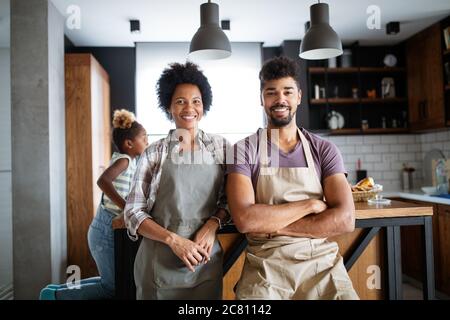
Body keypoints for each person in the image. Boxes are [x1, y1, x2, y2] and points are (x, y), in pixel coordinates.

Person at [226, 56, 359, 300]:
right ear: (261, 99)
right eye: (271, 92)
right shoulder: (243, 150)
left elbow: (345, 220)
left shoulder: (324, 150)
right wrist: (310, 206)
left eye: (287, 91)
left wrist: (272, 226)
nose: (280, 99)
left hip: (320, 262)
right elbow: (245, 220)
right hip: (266, 264)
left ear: (298, 96)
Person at [124, 62, 230, 300]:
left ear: (204, 106)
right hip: (158, 266)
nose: (189, 108)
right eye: (180, 101)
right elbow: (132, 212)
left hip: (205, 264)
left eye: (196, 101)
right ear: (169, 107)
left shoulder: (221, 148)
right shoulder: (154, 153)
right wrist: (172, 239)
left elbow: (230, 200)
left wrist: (213, 224)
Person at [40, 109, 148, 300]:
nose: (147, 142)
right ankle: (55, 296)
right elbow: (103, 181)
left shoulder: (130, 161)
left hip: (104, 227)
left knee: (110, 282)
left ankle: (54, 291)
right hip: (105, 229)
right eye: (144, 138)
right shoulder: (124, 161)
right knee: (111, 287)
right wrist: (126, 206)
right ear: (129, 143)